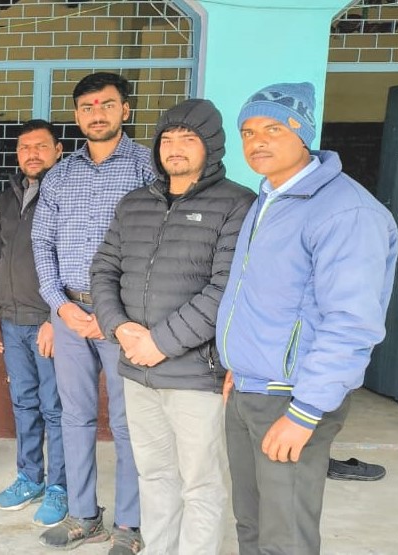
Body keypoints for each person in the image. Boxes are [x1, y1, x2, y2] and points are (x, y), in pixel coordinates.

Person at [219, 82, 398, 554]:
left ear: (304, 134)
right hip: (251, 388)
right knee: (251, 524)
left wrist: (305, 412)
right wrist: (239, 361)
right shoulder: (269, 198)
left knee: (287, 537)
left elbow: (352, 322)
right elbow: (262, 295)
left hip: (293, 398)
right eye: (248, 131)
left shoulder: (345, 212)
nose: (257, 141)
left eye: (273, 129)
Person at [90, 99, 254, 555]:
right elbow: (103, 270)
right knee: (155, 475)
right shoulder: (135, 203)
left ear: (211, 145)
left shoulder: (237, 205)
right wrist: (119, 328)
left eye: (188, 138)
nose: (175, 147)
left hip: (195, 375)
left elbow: (226, 289)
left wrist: (160, 342)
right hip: (137, 370)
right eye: (167, 138)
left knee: (200, 483)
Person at [30, 72, 153, 554]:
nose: (96, 114)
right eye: (86, 107)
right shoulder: (61, 174)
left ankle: (129, 524)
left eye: (106, 104)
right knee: (75, 416)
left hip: (122, 317)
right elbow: (42, 241)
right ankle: (84, 516)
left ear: (125, 110)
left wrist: (115, 313)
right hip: (69, 312)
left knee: (127, 422)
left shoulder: (146, 167)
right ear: (77, 116)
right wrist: (58, 303)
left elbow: (153, 245)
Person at [0, 119, 67, 526]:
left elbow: (75, 260)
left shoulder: (68, 193)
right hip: (12, 321)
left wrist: (56, 317)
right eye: (25, 148)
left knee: (56, 408)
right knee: (24, 403)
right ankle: (30, 477)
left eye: (41, 146)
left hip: (50, 322)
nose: (32, 154)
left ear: (58, 151)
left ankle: (60, 486)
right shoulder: (6, 199)